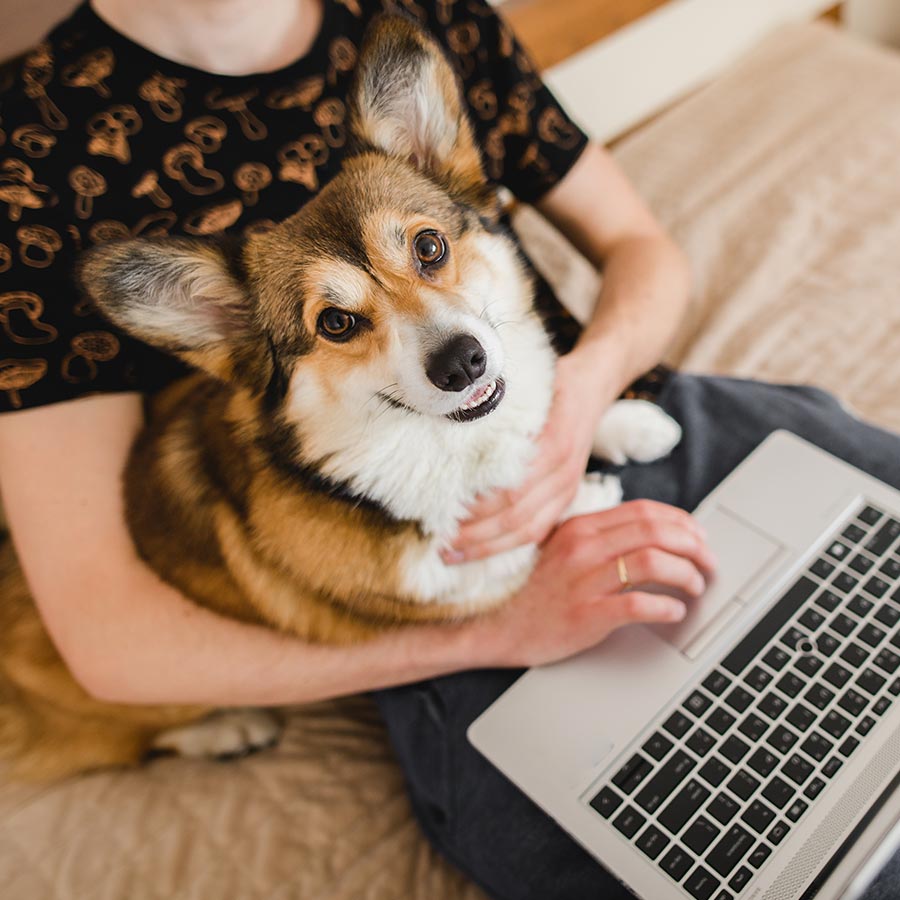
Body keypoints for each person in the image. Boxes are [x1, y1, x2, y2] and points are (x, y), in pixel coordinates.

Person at [0, 2, 897, 898]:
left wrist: (582, 398)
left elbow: (641, 247)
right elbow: (101, 636)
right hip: (435, 590)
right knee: (723, 848)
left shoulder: (420, 13)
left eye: (428, 251)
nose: (446, 339)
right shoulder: (26, 155)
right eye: (343, 320)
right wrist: (502, 628)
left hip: (613, 400)